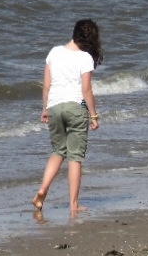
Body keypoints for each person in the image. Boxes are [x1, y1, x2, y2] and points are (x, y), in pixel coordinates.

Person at [32, 19, 102, 214]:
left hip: (54, 107)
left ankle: (43, 189)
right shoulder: (85, 58)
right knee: (75, 157)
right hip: (75, 108)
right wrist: (94, 116)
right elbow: (86, 89)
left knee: (57, 151)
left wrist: (44, 108)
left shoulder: (54, 53)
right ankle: (73, 204)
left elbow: (46, 85)